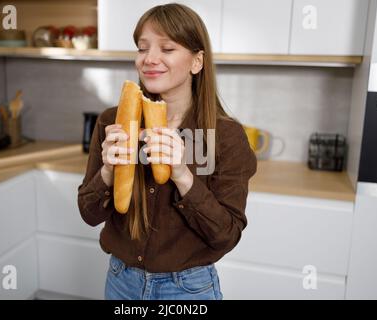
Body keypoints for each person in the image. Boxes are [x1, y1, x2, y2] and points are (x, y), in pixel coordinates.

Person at [77, 3, 257, 300]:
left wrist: (183, 175)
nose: (150, 59)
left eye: (167, 49)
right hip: (121, 282)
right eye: (142, 48)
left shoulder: (225, 137)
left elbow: (226, 235)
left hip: (188, 289)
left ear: (197, 61)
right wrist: (108, 171)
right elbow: (89, 214)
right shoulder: (113, 123)